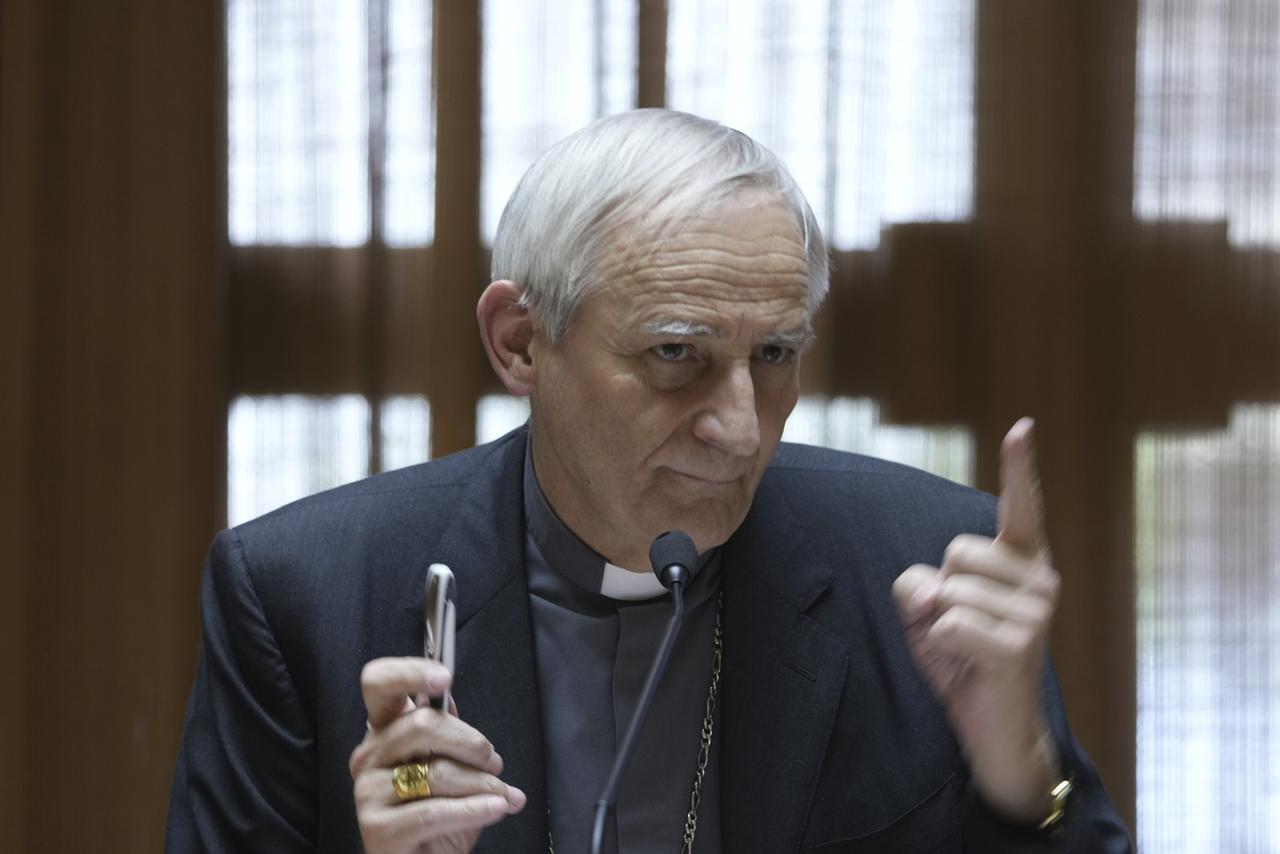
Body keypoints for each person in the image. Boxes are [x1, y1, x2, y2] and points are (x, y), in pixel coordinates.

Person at [166, 109, 1133, 853]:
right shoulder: (306, 596)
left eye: (776, 354)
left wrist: (1020, 771)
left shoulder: (925, 570)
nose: (741, 429)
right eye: (678, 353)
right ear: (520, 343)